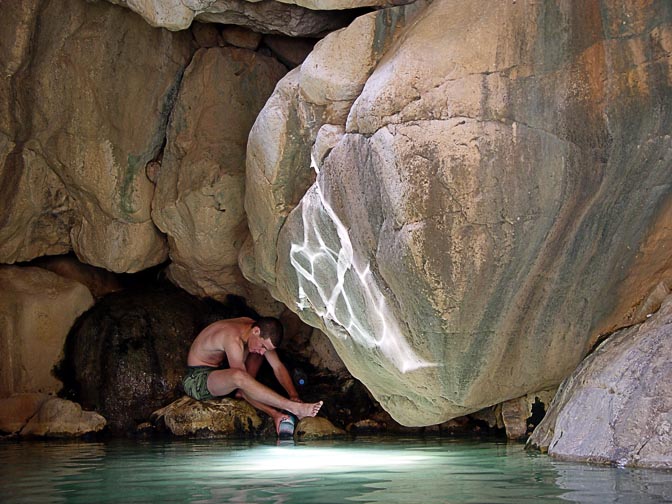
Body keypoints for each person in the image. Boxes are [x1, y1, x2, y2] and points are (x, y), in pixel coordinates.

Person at [182, 316, 323, 434]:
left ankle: (293, 403)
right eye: (263, 346)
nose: (263, 350)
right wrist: (275, 413)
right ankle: (292, 408)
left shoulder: (252, 328)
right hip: (197, 379)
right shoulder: (232, 338)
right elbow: (242, 382)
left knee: (258, 355)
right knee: (239, 377)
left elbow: (278, 367)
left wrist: (294, 395)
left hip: (220, 370)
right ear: (256, 330)